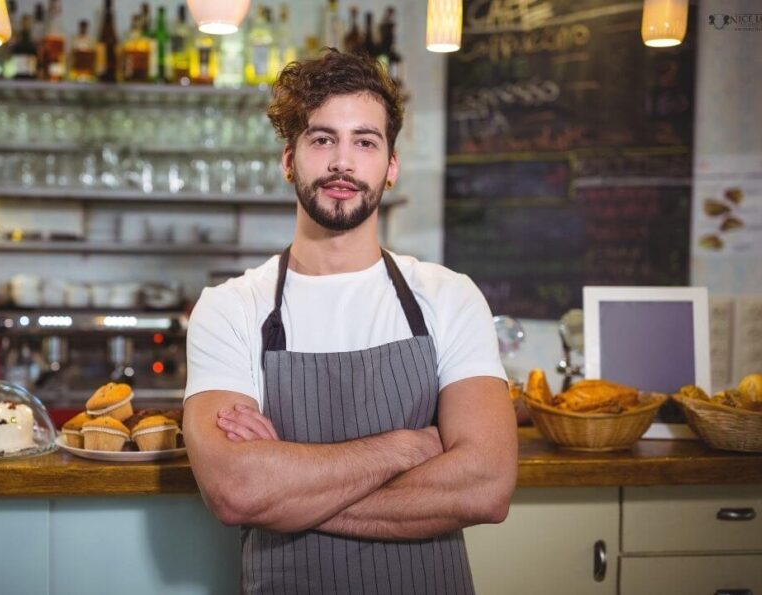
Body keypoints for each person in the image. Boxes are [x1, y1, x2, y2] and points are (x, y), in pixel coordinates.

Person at [183, 50, 518, 595]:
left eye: (365, 141)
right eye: (322, 140)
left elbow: (485, 487)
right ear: (289, 159)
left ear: (390, 167)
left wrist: (287, 496)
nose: (343, 162)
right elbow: (237, 491)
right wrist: (405, 449)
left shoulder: (448, 297)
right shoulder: (231, 308)